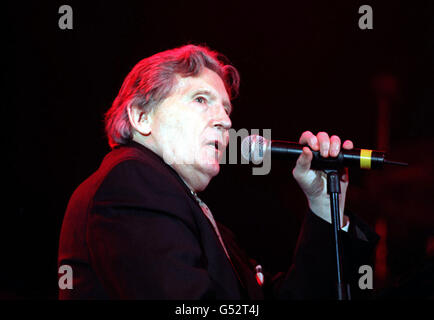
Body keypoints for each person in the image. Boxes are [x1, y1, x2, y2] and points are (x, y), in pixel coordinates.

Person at [58, 44, 379, 299]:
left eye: (226, 109)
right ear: (142, 117)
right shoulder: (131, 180)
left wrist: (325, 207)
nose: (225, 121)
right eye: (201, 99)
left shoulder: (190, 209)